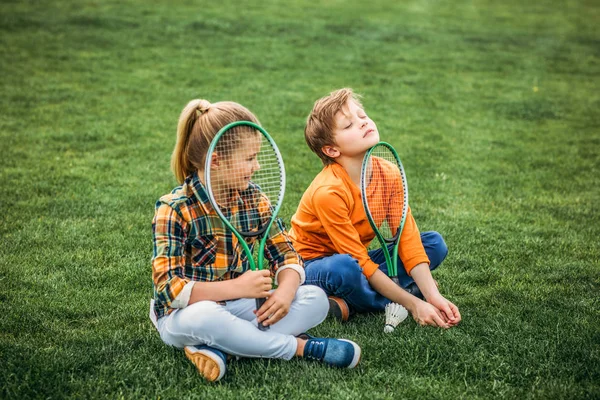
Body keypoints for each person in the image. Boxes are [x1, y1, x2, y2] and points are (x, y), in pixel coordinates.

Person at [150, 99, 361, 382]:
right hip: (184, 314)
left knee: (317, 299)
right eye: (249, 158)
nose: (257, 165)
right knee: (205, 319)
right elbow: (168, 289)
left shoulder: (254, 198)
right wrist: (237, 286)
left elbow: (286, 254)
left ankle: (225, 346)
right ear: (217, 160)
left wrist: (285, 291)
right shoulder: (174, 209)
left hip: (242, 307)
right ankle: (301, 347)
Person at [289, 88, 461, 329]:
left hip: (356, 257)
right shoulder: (328, 192)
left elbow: (407, 239)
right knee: (345, 267)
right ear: (331, 150)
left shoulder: (389, 174)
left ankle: (347, 302)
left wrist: (433, 296)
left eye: (362, 115)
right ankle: (390, 297)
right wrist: (414, 304)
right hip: (312, 266)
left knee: (433, 244)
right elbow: (357, 261)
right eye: (349, 125)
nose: (363, 123)